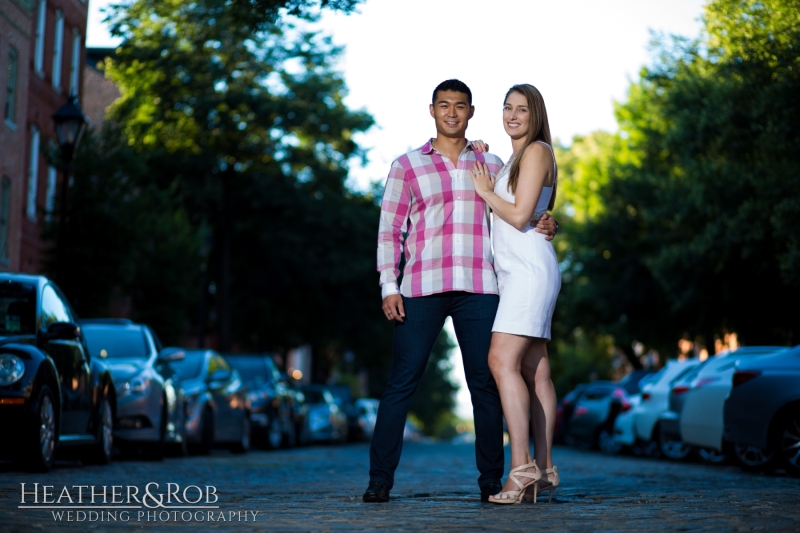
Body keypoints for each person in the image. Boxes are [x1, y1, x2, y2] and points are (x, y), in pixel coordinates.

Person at [364, 79, 558, 504]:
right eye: (444, 106)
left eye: (460, 106)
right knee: (401, 383)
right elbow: (389, 231)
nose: (452, 113)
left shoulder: (490, 161)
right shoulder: (406, 165)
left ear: (471, 112)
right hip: (420, 286)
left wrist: (548, 220)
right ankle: (380, 480)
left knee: (485, 385)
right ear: (431, 110)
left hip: (480, 287)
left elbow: (524, 202)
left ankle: (492, 480)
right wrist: (388, 286)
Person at [469, 84, 561, 504]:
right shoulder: (515, 158)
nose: (512, 115)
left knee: (499, 360)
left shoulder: (537, 150)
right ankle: (544, 469)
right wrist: (479, 151)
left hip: (528, 273)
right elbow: (531, 210)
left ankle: (522, 467)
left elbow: (521, 214)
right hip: (520, 273)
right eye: (507, 108)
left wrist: (486, 192)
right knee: (535, 370)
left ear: (535, 114)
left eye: (521, 109)